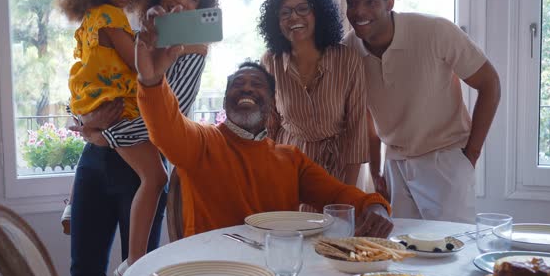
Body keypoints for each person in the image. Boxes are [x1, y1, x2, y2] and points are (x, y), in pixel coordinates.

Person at [61, 0, 219, 276]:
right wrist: (84, 122)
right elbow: (89, 84)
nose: (182, 1)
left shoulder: (192, 49)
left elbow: (162, 118)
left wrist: (100, 133)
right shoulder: (130, 34)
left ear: (201, 9)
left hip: (137, 168)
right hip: (93, 162)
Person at [133, 38, 393, 237]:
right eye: (238, 83)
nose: (246, 87)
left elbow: (338, 194)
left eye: (257, 84)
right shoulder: (201, 143)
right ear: (225, 100)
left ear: (272, 103)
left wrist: (374, 206)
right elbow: (165, 127)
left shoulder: (290, 159)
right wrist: (152, 80)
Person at [342, 0, 501, 223]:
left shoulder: (436, 31)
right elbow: (365, 114)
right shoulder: (348, 49)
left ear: (389, 3)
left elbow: (490, 83)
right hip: (395, 163)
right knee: (401, 253)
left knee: (453, 251)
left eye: (371, 2)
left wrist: (471, 154)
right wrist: (375, 168)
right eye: (352, 3)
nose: (360, 11)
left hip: (445, 159)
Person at [257, 0, 368, 191]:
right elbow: (268, 127)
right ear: (276, 22)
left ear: (317, 13)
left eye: (302, 9)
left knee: (332, 224)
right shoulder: (271, 62)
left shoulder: (348, 59)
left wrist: (347, 193)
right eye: (285, 12)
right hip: (286, 167)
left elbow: (356, 130)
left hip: (335, 169)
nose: (294, 17)